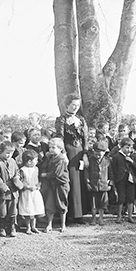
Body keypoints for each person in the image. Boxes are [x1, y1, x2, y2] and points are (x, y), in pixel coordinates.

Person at [54, 93, 89, 224]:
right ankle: (67, 215)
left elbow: (85, 138)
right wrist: (63, 154)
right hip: (68, 152)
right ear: (67, 105)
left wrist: (85, 153)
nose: (75, 107)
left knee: (79, 182)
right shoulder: (61, 120)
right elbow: (59, 137)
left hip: (79, 153)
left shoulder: (81, 119)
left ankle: (79, 214)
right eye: (73, 105)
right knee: (70, 182)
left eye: (77, 105)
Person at [0, 141, 23, 237]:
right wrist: (3, 187)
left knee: (13, 209)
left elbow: (17, 172)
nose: (9, 155)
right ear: (0, 152)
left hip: (13, 190)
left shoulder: (13, 161)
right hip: (3, 192)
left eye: (11, 153)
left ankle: (12, 226)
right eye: (7, 153)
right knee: (2, 210)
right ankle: (1, 227)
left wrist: (17, 178)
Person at [40, 138, 70, 233]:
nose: (51, 149)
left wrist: (46, 175)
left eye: (54, 147)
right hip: (51, 184)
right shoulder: (50, 157)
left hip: (61, 184)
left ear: (60, 148)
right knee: (50, 204)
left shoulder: (61, 159)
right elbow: (44, 166)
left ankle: (63, 224)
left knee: (62, 204)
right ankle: (49, 224)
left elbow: (57, 173)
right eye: (50, 147)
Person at [111, 137, 136, 224]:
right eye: (127, 147)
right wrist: (113, 180)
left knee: (131, 198)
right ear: (121, 147)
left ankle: (130, 216)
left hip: (130, 180)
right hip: (120, 180)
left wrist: (131, 161)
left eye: (131, 148)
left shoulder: (133, 156)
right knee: (121, 198)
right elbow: (113, 169)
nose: (129, 150)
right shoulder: (116, 156)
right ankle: (119, 216)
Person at [84, 140, 112, 226]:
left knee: (102, 204)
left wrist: (110, 183)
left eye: (99, 154)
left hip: (104, 185)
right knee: (93, 204)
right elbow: (86, 171)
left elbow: (111, 173)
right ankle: (93, 218)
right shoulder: (90, 160)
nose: (97, 156)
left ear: (104, 152)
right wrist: (87, 182)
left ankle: (101, 218)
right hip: (93, 185)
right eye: (96, 154)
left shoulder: (108, 161)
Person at [18, 150, 45, 234]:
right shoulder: (23, 170)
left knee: (34, 208)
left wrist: (38, 185)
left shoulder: (36, 169)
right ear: (29, 161)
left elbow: (38, 179)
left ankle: (34, 226)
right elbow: (21, 181)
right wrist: (28, 187)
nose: (37, 162)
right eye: (35, 160)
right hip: (27, 193)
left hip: (35, 192)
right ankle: (28, 227)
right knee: (28, 209)